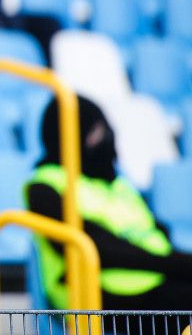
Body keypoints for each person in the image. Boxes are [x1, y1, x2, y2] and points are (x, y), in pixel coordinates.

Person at [26, 95, 192, 331]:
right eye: (94, 131)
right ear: (68, 138)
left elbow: (154, 233)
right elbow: (101, 247)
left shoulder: (115, 182)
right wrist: (179, 264)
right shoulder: (45, 186)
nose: (105, 137)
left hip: (154, 281)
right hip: (98, 298)